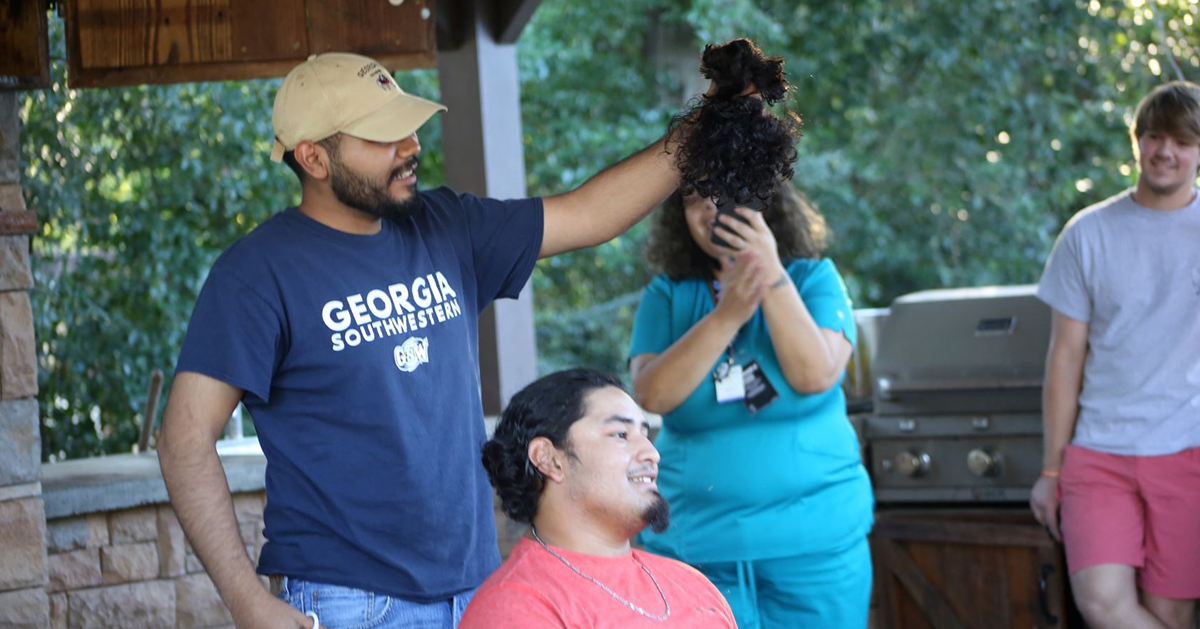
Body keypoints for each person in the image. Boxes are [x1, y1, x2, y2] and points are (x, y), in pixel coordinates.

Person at [157, 52, 696, 629]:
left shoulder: (445, 225)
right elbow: (184, 439)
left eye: (409, 125)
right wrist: (247, 601)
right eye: (384, 136)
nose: (411, 145)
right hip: (349, 603)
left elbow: (591, 216)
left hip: (476, 588)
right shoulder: (258, 273)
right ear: (314, 157)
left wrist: (699, 134)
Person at [627, 181, 874, 629]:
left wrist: (770, 274)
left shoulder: (814, 279)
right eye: (694, 200)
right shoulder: (667, 294)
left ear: (763, 202)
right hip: (697, 551)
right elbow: (652, 395)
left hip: (816, 551)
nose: (710, 211)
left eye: (725, 196)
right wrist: (729, 314)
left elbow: (816, 374)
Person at [1030, 81, 1200, 629]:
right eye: (1154, 136)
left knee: (1171, 613)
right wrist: (1052, 469)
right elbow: (1064, 360)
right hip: (1099, 453)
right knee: (1101, 602)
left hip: (1188, 452)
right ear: (1137, 143)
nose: (1165, 151)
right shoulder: (1088, 234)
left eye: (1182, 140)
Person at [459, 368, 738, 628]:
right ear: (548, 459)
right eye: (620, 434)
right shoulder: (513, 608)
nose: (652, 453)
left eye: (643, 433)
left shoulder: (690, 583)